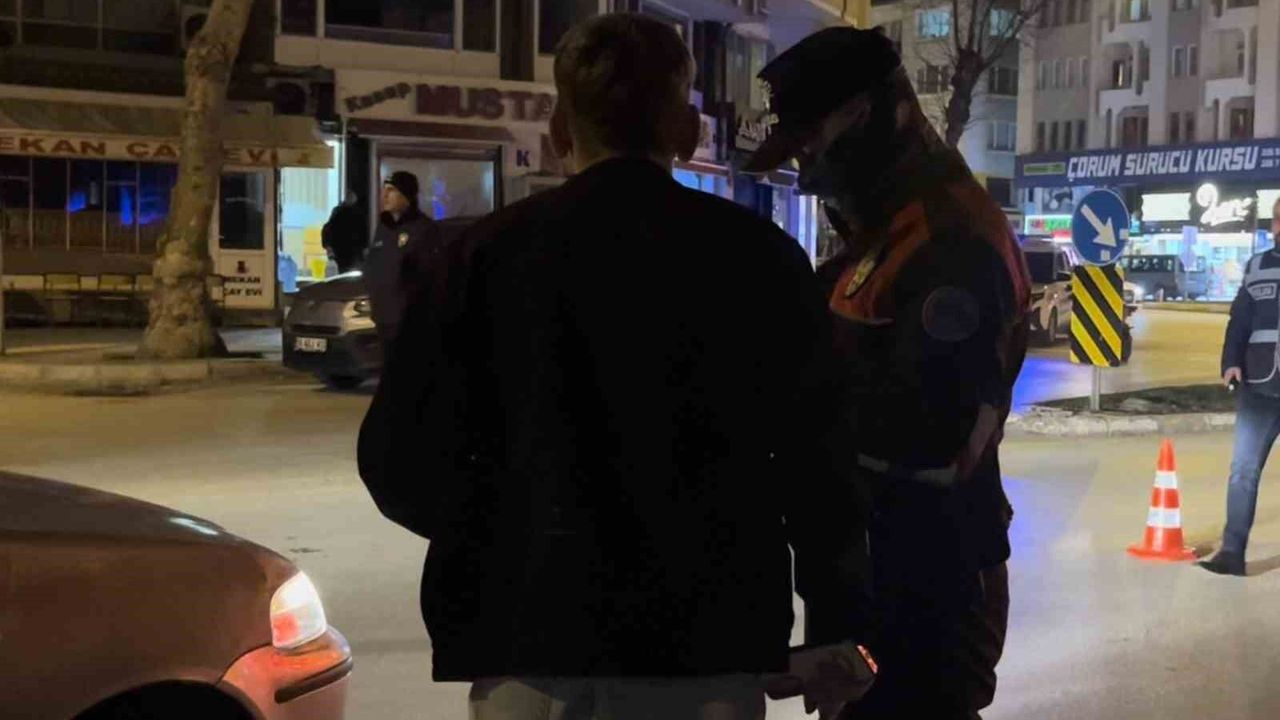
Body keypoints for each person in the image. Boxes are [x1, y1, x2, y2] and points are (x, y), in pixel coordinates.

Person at [357, 14, 872, 720]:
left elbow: (396, 461)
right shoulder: (760, 259)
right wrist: (837, 624)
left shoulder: (480, 258)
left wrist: (497, 534)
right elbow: (820, 465)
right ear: (685, 131)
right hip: (706, 649)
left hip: (529, 646)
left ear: (558, 131)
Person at [743, 27, 1031, 720]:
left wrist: (781, 422)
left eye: (810, 143)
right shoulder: (884, 236)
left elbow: (936, 439)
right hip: (878, 574)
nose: (804, 169)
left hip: (930, 585)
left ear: (869, 116)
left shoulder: (948, 241)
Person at [1200, 197, 1280, 577]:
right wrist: (1230, 362)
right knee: (1243, 472)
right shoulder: (1256, 266)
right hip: (1258, 386)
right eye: (1278, 219)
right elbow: (1239, 321)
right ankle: (1232, 554)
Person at [362, 171, 442, 347]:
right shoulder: (384, 227)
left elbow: (429, 276)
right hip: (382, 317)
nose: (385, 196)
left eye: (391, 190)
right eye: (384, 190)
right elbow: (374, 264)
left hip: (409, 321)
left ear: (407, 195)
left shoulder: (423, 229)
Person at [321, 191, 368, 273]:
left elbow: (327, 230)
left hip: (342, 251)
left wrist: (329, 248)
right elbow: (363, 233)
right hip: (352, 252)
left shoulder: (337, 212)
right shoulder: (358, 214)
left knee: (344, 273)